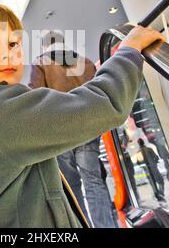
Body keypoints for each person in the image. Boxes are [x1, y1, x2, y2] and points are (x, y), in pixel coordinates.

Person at [0, 3, 165, 228]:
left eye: (13, 43)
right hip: (76, 125)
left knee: (74, 182)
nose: (7, 53)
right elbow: (106, 104)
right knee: (92, 180)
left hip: (57, 130)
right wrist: (129, 49)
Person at [29, 31, 116, 228]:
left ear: (44, 46)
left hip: (61, 134)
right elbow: (100, 91)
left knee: (72, 185)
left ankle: (80, 225)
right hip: (87, 129)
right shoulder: (84, 62)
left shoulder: (41, 63)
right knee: (93, 180)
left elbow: (35, 96)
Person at [137, 138, 166, 204]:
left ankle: (157, 196)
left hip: (147, 170)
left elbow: (139, 163)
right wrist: (155, 162)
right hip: (153, 168)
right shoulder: (149, 149)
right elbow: (156, 157)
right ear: (143, 142)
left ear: (138, 144)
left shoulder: (138, 152)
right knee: (160, 181)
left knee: (153, 184)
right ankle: (161, 194)